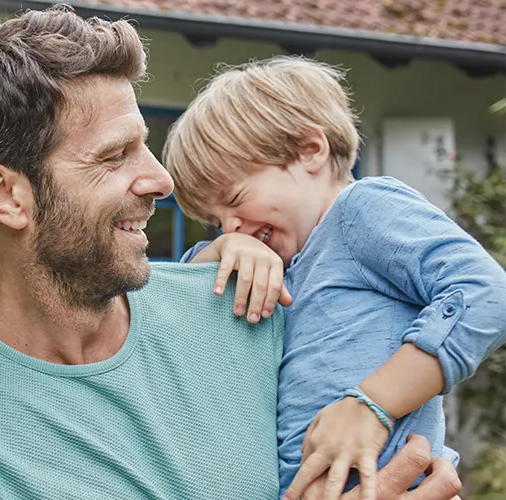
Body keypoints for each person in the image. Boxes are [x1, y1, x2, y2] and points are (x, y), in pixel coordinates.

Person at [0, 6, 463, 499]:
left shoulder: (246, 305)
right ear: (6, 196)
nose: (160, 180)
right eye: (113, 156)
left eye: (146, 147)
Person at [164, 56, 506, 500]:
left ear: (310, 151)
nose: (229, 225)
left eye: (235, 197)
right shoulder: (278, 263)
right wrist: (221, 250)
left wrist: (372, 406)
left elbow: (485, 292)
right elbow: (173, 295)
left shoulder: (360, 210)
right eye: (215, 220)